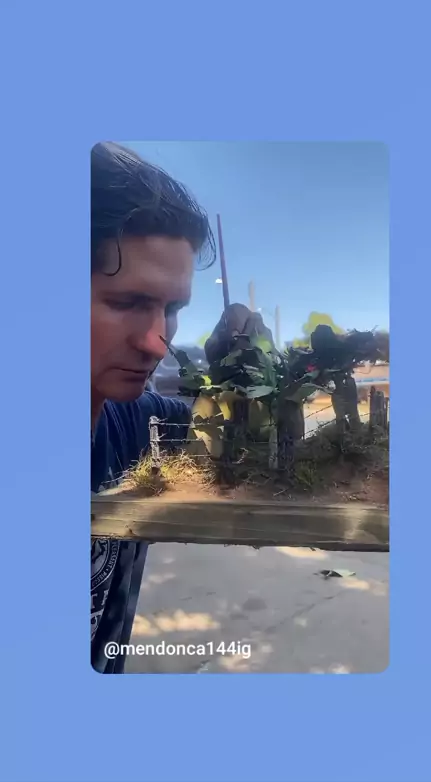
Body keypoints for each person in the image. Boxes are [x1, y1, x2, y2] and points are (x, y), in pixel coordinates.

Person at [91, 142, 215, 672]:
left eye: (173, 309)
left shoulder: (137, 422)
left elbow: (216, 421)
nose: (156, 342)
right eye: (127, 303)